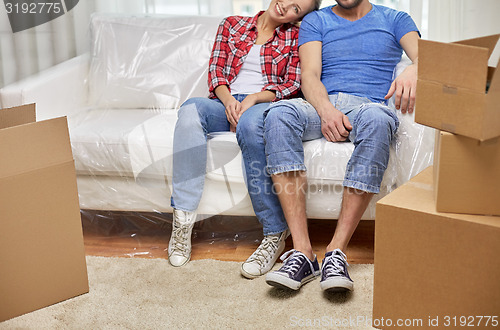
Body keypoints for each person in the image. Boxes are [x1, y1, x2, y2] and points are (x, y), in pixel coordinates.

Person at [237, 0, 420, 291]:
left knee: (378, 119)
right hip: (322, 104)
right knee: (279, 114)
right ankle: (303, 252)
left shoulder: (396, 18)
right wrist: (326, 111)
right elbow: (308, 75)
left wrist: (415, 67)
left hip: (368, 106)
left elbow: (427, 57)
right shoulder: (317, 21)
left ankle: (336, 251)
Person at [168, 0, 321, 268]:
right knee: (190, 110)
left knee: (251, 124)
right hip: (223, 102)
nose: (286, 6)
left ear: (299, 18)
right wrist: (229, 103)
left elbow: (292, 85)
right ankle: (182, 222)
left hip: (261, 104)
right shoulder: (232, 24)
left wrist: (254, 98)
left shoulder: (296, 37)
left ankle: (274, 233)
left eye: (296, 8)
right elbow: (216, 73)